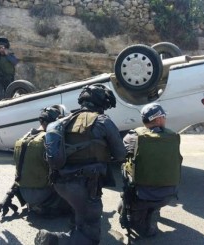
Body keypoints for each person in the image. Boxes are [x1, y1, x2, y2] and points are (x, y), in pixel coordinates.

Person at [35, 84, 126, 245]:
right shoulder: (103, 121)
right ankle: (55, 240)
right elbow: (121, 154)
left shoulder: (63, 120)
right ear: (102, 103)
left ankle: (75, 229)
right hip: (85, 185)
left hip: (60, 183)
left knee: (79, 211)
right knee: (91, 237)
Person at [118, 103, 183, 241]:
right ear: (158, 119)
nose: (165, 119)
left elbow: (120, 155)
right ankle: (153, 210)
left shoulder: (132, 136)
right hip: (168, 195)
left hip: (141, 196)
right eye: (164, 117)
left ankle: (138, 213)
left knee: (125, 168)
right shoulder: (174, 136)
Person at [0, 105, 72, 219]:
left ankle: (37, 205)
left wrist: (8, 196)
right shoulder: (48, 140)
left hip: (26, 194)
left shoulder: (23, 140)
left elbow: (23, 173)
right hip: (43, 195)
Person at [0, 36, 18, 101]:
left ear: (6, 48)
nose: (1, 49)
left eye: (2, 47)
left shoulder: (11, 55)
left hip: (8, 78)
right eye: (0, 47)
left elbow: (15, 62)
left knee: (9, 94)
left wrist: (7, 55)